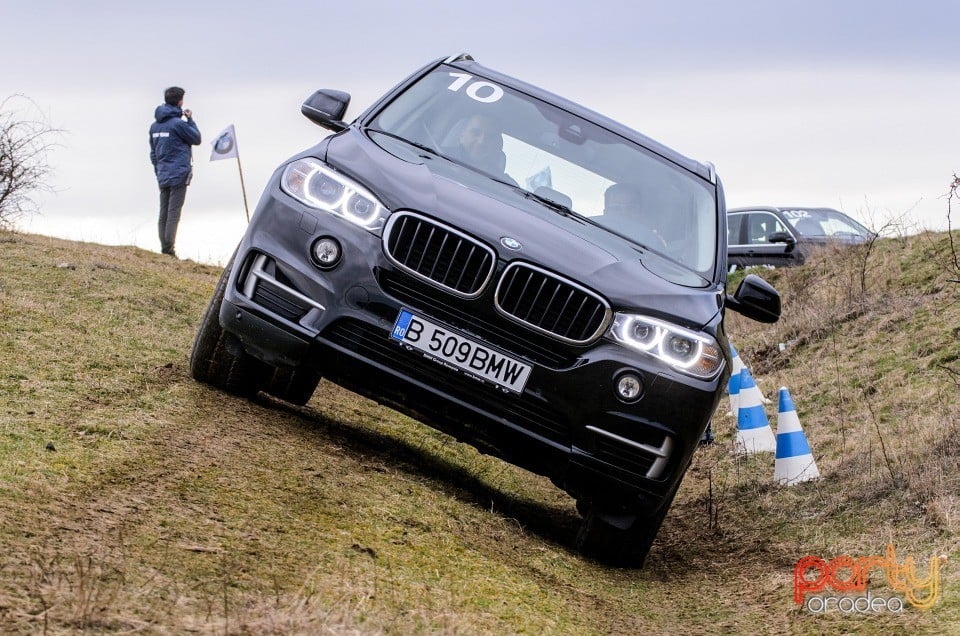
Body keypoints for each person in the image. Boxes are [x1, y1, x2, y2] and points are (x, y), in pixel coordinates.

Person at [149, 86, 201, 257]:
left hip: (163, 173)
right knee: (173, 213)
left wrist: (158, 170)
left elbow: (153, 152)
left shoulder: (155, 126)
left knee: (163, 212)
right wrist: (190, 120)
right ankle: (168, 250)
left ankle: (164, 247)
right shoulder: (179, 124)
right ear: (180, 101)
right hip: (178, 173)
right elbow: (196, 138)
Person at [602, 183, 666, 249]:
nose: (624, 213)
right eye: (616, 208)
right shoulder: (592, 234)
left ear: (640, 213)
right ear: (606, 212)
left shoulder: (651, 243)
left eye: (631, 207)